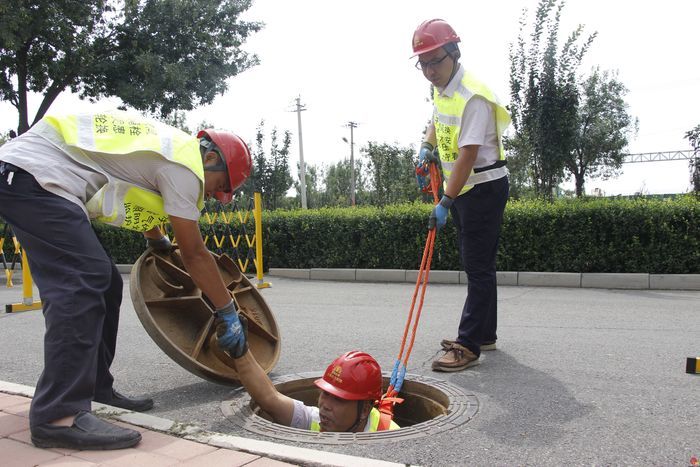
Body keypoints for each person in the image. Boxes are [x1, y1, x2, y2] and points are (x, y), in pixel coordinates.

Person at [0, 109, 252, 450]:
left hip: (36, 176)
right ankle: (59, 416)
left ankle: (94, 387)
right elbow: (195, 254)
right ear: (210, 157)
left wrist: (156, 239)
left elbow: (135, 188)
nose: (213, 196)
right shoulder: (187, 167)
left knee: (105, 282)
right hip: (37, 176)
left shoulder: (171, 151)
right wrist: (227, 311)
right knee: (82, 282)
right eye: (220, 186)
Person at [412, 19, 511, 372]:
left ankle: (468, 344)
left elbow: (468, 154)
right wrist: (427, 145)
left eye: (435, 61)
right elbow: (437, 119)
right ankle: (485, 333)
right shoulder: (444, 89)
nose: (429, 71)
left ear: (454, 53)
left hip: (481, 188)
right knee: (480, 265)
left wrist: (445, 201)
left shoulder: (473, 96)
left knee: (477, 267)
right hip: (467, 189)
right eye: (422, 63)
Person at [217, 325, 399, 432]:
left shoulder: (390, 435)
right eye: (325, 393)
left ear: (365, 409)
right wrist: (239, 351)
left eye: (338, 399)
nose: (325, 405)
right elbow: (270, 399)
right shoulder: (316, 420)